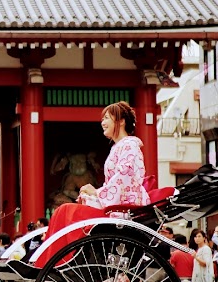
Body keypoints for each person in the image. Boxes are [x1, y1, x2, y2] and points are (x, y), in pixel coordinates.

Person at [41, 101, 151, 266]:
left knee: (65, 210)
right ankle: (49, 261)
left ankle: (59, 262)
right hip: (114, 203)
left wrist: (97, 193)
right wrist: (95, 193)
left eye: (107, 118)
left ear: (121, 121)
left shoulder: (129, 146)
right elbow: (116, 182)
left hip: (123, 209)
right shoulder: (118, 147)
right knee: (61, 211)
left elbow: (124, 177)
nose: (102, 122)